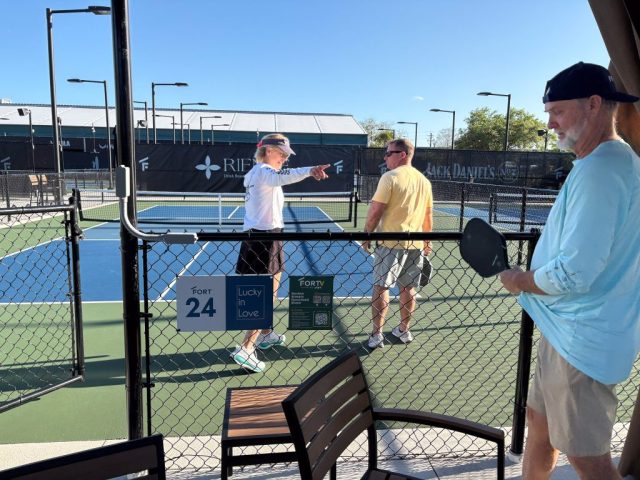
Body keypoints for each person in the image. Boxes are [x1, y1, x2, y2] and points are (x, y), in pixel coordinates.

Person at [498, 62, 640, 480]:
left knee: (586, 457)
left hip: (582, 339)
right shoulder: (607, 163)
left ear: (593, 105)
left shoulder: (602, 170)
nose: (550, 123)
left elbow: (576, 273)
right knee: (539, 425)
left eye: (557, 111)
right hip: (566, 330)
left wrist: (519, 280)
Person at [231, 133, 330, 373]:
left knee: (269, 285)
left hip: (257, 235)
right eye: (282, 153)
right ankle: (246, 347)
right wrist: (310, 170)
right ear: (268, 151)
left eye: (287, 155)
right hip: (266, 236)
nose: (285, 158)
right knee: (267, 293)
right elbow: (285, 176)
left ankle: (265, 334)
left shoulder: (255, 173)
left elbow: (280, 176)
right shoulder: (265, 171)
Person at [362, 138, 433, 349]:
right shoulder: (424, 181)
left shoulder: (389, 177)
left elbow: (375, 211)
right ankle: (404, 330)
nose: (385, 157)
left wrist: (367, 235)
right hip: (415, 244)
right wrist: (427, 241)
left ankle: (377, 335)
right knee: (408, 288)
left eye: (388, 153)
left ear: (402, 154)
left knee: (381, 287)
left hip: (390, 244)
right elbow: (428, 217)